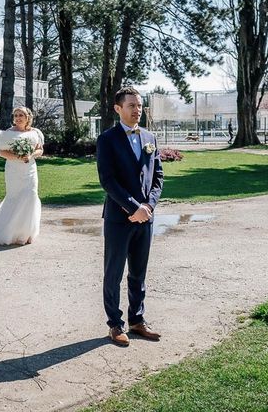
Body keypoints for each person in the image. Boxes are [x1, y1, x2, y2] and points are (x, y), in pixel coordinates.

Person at [96, 86, 164, 346]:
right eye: (132, 106)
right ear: (118, 109)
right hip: (118, 217)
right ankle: (115, 324)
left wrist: (148, 207)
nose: (137, 110)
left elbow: (158, 177)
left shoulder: (149, 137)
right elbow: (108, 180)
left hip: (146, 218)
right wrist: (133, 206)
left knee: (138, 272)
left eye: (140, 105)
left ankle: (137, 320)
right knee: (113, 272)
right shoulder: (107, 139)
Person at [0, 107, 44, 245]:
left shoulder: (35, 133)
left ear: (27, 117)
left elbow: (40, 150)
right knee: (14, 197)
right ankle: (9, 232)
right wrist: (18, 156)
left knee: (31, 195)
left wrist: (30, 155)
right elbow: (2, 153)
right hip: (14, 169)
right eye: (16, 115)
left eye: (21, 115)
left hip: (30, 169)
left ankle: (26, 233)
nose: (18, 118)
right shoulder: (7, 133)